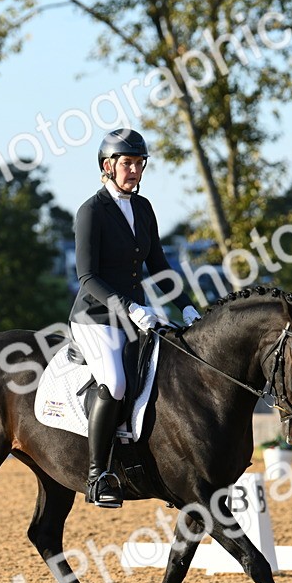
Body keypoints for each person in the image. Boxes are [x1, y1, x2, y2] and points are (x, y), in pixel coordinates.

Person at [69, 128, 202, 507]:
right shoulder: (91, 211)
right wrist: (129, 307)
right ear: (107, 166)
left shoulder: (143, 208)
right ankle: (97, 476)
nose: (135, 170)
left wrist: (187, 305)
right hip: (96, 317)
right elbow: (87, 277)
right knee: (114, 383)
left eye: (140, 163)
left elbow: (158, 266)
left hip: (137, 316)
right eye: (127, 163)